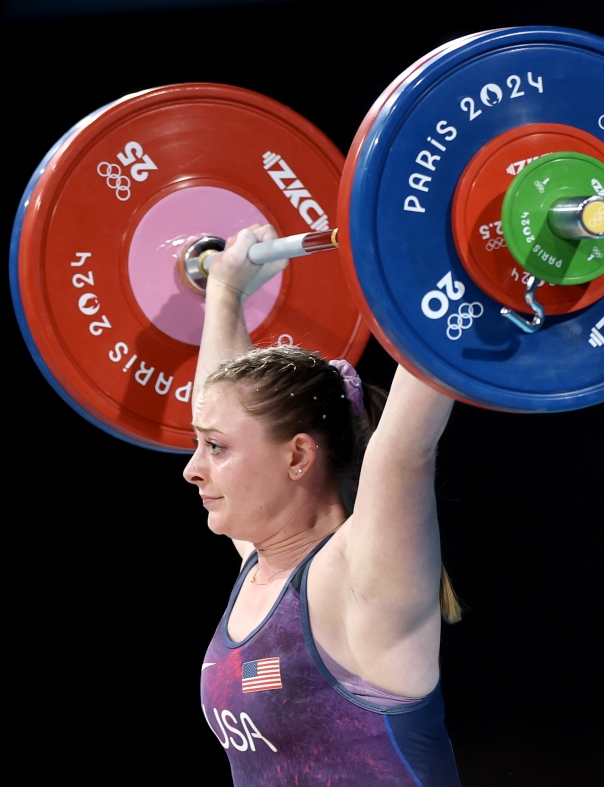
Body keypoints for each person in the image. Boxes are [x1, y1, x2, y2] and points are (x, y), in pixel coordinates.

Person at [191, 224, 463, 786]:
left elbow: (403, 451)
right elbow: (225, 403)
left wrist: (454, 266)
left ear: (297, 457)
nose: (192, 468)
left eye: (215, 449)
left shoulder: (360, 583)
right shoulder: (263, 568)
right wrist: (225, 293)